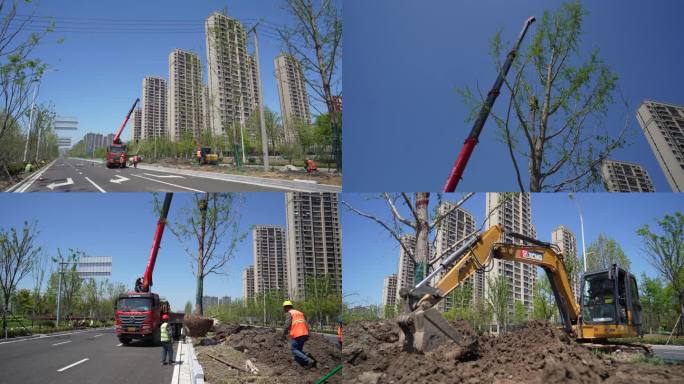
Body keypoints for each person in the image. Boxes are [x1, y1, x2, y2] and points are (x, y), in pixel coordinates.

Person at [281, 300, 316, 368]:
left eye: (284, 308)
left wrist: (283, 335)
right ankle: (303, 358)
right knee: (298, 350)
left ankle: (307, 359)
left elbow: (287, 325)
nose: (284, 310)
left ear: (286, 307)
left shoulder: (289, 313)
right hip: (304, 333)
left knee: (293, 349)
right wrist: (308, 333)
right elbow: (305, 323)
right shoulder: (300, 313)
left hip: (297, 333)